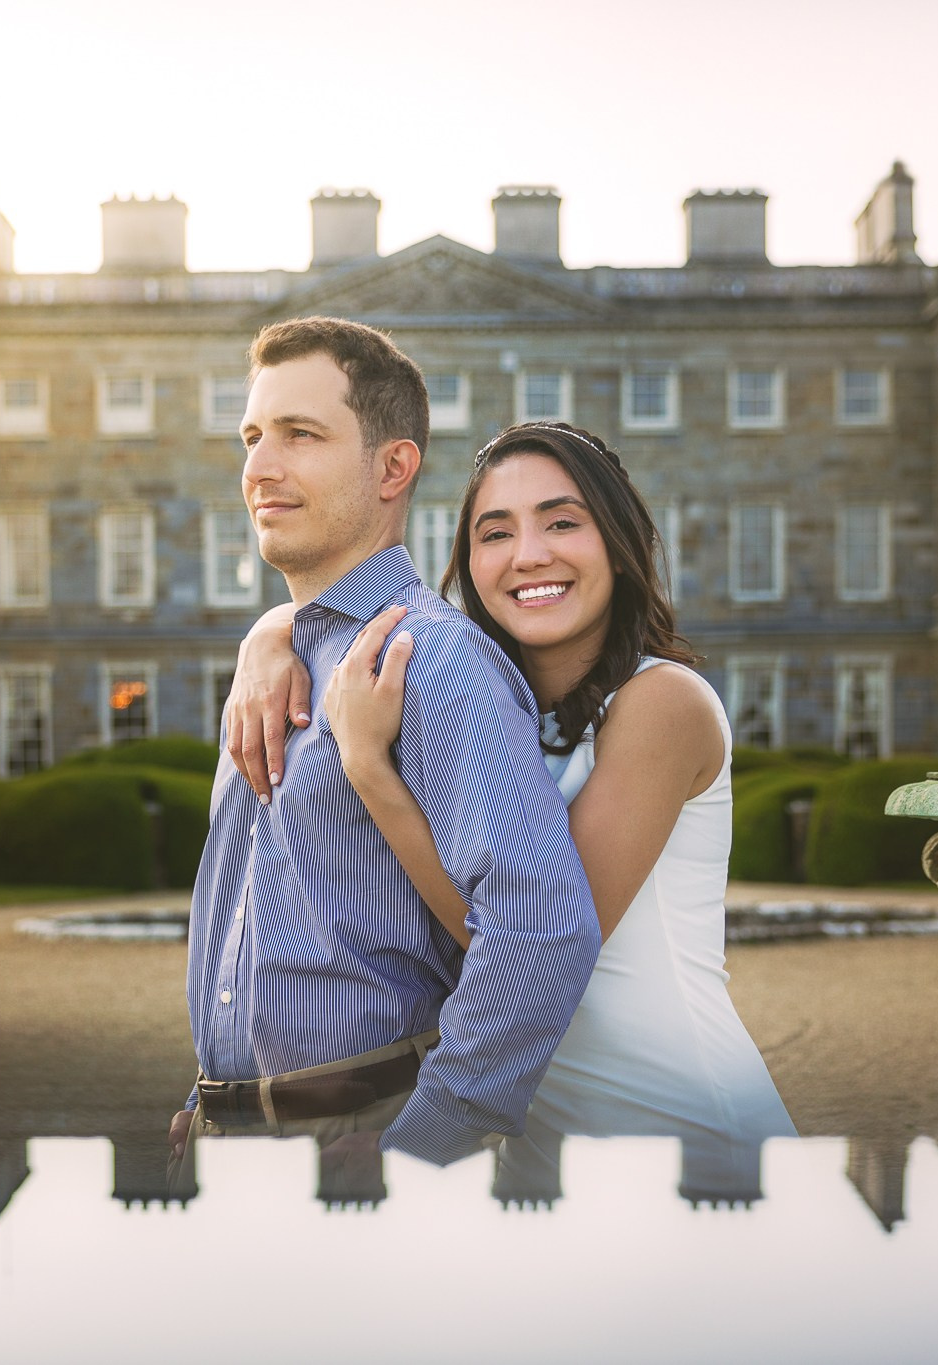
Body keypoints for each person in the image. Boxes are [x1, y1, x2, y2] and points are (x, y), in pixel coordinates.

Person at [226, 420, 794, 1189]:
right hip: (543, 1151)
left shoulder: (662, 703)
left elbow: (538, 936)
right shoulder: (487, 702)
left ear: (620, 546)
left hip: (684, 1129)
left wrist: (369, 768)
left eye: (563, 522)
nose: (529, 554)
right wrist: (274, 630)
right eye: (496, 533)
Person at [171, 318, 602, 1173]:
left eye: (301, 434)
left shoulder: (434, 659)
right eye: (252, 436)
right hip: (229, 1141)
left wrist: (420, 1148)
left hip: (355, 1144)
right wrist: (208, 1105)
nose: (259, 466)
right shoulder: (277, 661)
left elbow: (543, 927)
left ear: (393, 467)